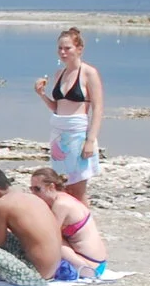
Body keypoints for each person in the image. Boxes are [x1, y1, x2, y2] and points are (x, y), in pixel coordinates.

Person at [31, 26, 105, 203]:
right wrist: (42, 95)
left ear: (79, 49)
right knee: (62, 186)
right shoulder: (59, 74)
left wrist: (90, 140)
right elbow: (57, 107)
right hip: (58, 133)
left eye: (67, 48)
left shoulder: (89, 73)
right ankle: (66, 218)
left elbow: (98, 108)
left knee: (78, 188)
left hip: (77, 133)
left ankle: (83, 219)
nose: (63, 52)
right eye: (60, 48)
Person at [30, 167, 109, 277]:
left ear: (51, 187)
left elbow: (48, 235)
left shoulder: (61, 205)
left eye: (37, 189)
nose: (33, 194)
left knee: (51, 239)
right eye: (31, 189)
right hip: (97, 263)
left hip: (89, 266)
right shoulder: (63, 198)